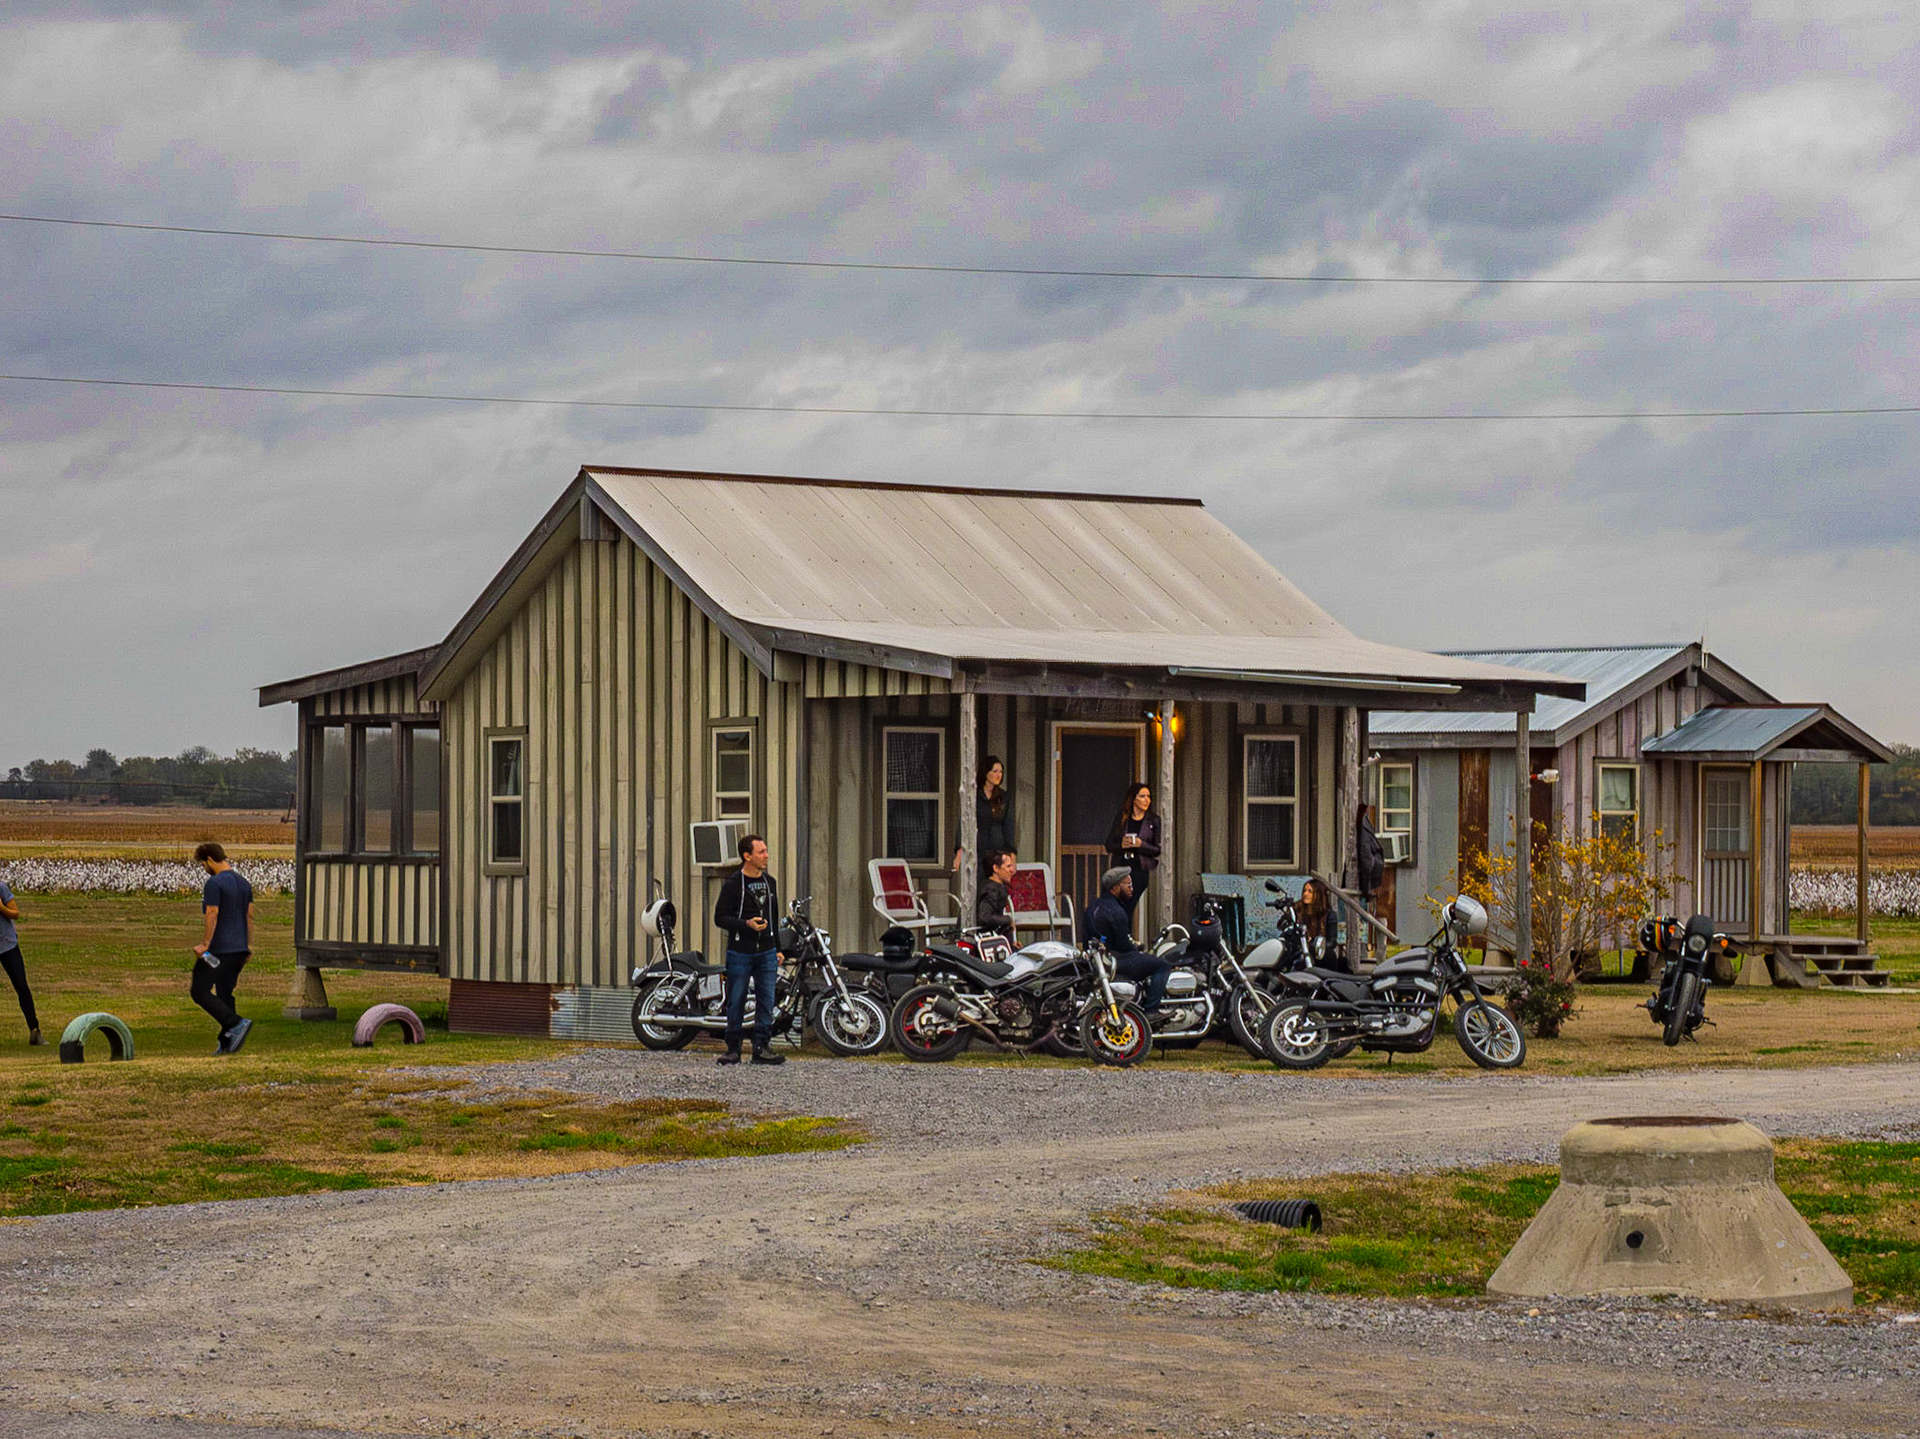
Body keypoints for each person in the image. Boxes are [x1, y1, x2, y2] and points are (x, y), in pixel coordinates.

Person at [712, 833, 785, 1066]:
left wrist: (778, 948)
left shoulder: (769, 882)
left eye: (766, 850)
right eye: (761, 852)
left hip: (766, 951)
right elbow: (720, 917)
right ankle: (733, 1048)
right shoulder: (734, 884)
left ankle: (761, 1047)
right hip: (740, 952)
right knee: (737, 998)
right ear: (747, 856)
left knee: (767, 999)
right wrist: (746, 924)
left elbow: (773, 916)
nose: (766, 855)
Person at [191, 842, 254, 1055]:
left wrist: (205, 945)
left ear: (209, 859)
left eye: (203, 864)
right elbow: (249, 915)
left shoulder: (214, 883)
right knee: (224, 993)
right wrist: (248, 944)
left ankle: (235, 1023)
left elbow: (212, 913)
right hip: (239, 949)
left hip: (218, 950)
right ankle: (227, 1042)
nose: (204, 869)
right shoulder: (244, 883)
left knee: (199, 990)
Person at [1083, 867, 1173, 1014]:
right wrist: (1136, 948)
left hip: (1096, 960)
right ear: (1115, 887)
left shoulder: (1092, 907)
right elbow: (1123, 946)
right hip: (1115, 961)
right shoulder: (1116, 911)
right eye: (1128, 885)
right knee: (1162, 965)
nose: (1132, 889)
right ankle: (1152, 1010)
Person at [1103, 782, 1162, 917]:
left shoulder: (1153, 820)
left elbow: (1157, 850)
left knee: (1129, 906)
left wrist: (1141, 844)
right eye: (1142, 796)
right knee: (1117, 906)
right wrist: (1122, 845)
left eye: (1148, 796)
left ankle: (1124, 929)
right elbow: (1109, 845)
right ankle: (1120, 929)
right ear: (1133, 799)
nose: (1147, 800)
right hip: (1121, 867)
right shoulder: (1123, 818)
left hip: (1139, 869)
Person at [952, 756, 1014, 876]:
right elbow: (963, 823)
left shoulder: (1003, 797)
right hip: (978, 850)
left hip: (998, 851)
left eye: (1001, 772)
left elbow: (1009, 826)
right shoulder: (974, 796)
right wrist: (960, 850)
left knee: (995, 883)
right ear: (986, 773)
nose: (999, 775)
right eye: (995, 771)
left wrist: (1011, 854)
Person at [0, 878, 44, 1045]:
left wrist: (1, 908)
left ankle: (34, 1030)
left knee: (21, 985)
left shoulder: (1, 887)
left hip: (8, 945)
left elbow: (15, 913)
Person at [1296, 877, 1340, 969]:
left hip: (1321, 956)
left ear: (1318, 894)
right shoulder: (1299, 910)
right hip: (1302, 954)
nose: (1305, 894)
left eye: (1310, 891)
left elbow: (1332, 942)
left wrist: (1315, 944)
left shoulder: (1329, 914)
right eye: (1304, 891)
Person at [974, 848, 1017, 940]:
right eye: (1008, 866)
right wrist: (1008, 920)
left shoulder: (992, 886)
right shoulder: (991, 889)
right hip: (982, 941)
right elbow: (985, 917)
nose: (1012, 870)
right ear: (996, 868)